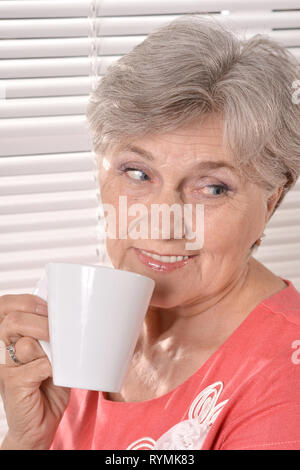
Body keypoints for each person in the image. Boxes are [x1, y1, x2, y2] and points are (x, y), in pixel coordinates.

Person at [1, 13, 300, 450]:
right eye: (138, 173)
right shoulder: (85, 334)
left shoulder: (285, 377)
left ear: (271, 201)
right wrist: (28, 438)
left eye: (213, 187)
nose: (161, 221)